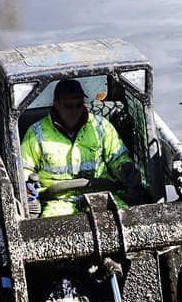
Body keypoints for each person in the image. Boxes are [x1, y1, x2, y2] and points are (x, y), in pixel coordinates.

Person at [20, 78, 140, 218]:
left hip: (102, 194)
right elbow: (25, 168)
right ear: (56, 105)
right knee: (52, 232)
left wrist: (125, 170)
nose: (75, 111)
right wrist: (28, 187)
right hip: (57, 201)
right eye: (68, 106)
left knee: (125, 219)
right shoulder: (36, 133)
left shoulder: (101, 126)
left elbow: (117, 158)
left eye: (78, 105)